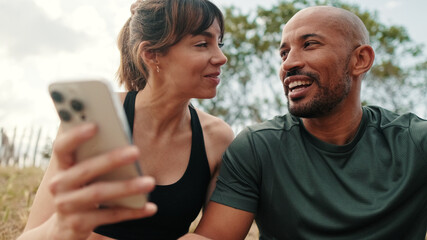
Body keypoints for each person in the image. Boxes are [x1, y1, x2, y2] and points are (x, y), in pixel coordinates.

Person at [182, 5, 427, 240]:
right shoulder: (258, 147)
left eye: (309, 45)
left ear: (360, 59)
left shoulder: (416, 143)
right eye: (284, 53)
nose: (288, 64)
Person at [18, 0, 234, 239]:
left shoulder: (217, 138)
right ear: (151, 55)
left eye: (219, 43)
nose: (221, 57)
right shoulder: (94, 118)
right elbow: (30, 235)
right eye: (202, 44)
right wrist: (60, 228)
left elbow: (213, 235)